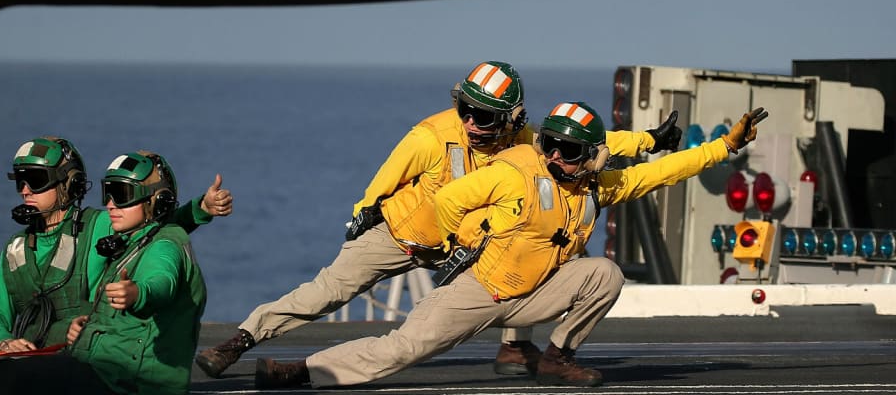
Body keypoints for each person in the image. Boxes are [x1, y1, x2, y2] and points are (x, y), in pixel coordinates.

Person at [196, 62, 683, 378]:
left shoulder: (525, 141)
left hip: (462, 247)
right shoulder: (430, 136)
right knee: (326, 293)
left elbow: (590, 143)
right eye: (466, 110)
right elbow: (380, 185)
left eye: (485, 116)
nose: (472, 123)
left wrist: (648, 143)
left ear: (512, 119)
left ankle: (515, 349)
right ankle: (240, 341)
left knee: (539, 247)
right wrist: (361, 217)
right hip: (403, 235)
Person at [252, 102, 768, 389]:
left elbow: (661, 172)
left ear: (591, 157)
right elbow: (450, 200)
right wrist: (463, 242)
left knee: (605, 274)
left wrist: (724, 147)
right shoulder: (518, 171)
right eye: (549, 145)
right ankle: (301, 371)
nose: (553, 155)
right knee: (402, 350)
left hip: (533, 298)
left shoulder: (600, 187)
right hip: (479, 289)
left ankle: (555, 357)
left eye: (567, 150)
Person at [0, 150, 209, 395]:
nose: (25, 190)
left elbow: (157, 241)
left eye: (36, 180)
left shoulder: (98, 228)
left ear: (68, 184)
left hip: (96, 368)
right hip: (58, 358)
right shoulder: (16, 249)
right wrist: (5, 342)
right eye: (20, 180)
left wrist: (198, 210)